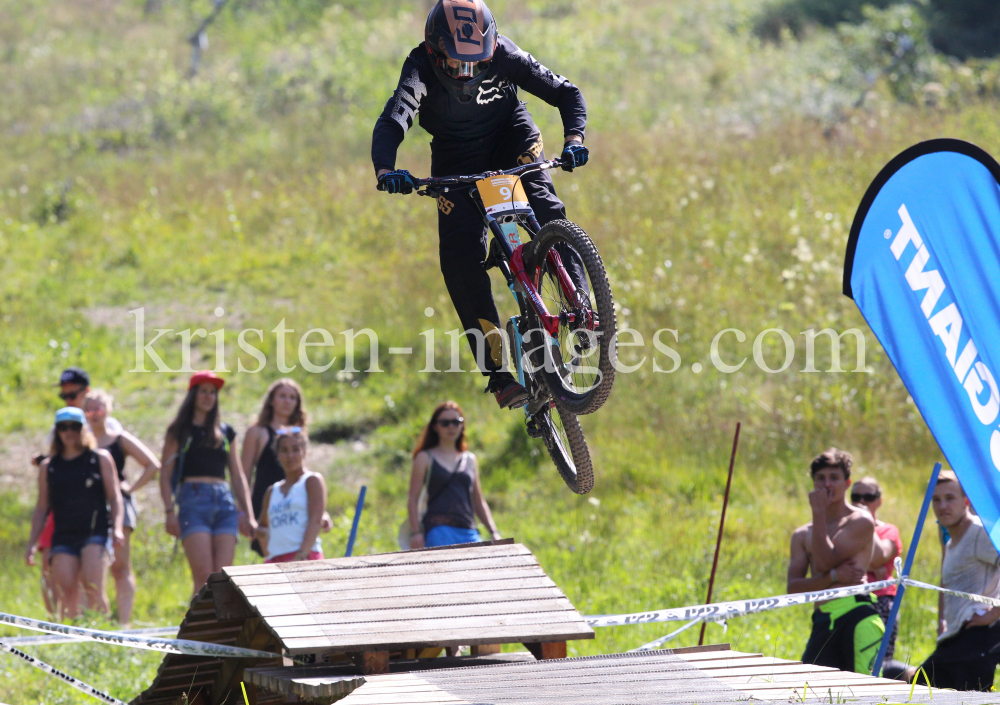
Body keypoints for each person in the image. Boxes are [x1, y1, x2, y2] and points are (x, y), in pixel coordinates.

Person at [371, 0, 590, 410]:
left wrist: (574, 140)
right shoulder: (418, 68)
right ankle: (498, 373)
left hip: (512, 137)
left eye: (478, 64)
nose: (468, 74)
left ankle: (581, 301)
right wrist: (386, 170)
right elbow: (392, 121)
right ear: (435, 53)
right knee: (458, 259)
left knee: (546, 205)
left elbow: (567, 93)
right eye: (456, 66)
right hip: (456, 158)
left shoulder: (506, 54)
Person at [33, 367, 126, 614]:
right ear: (57, 431)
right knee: (67, 589)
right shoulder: (49, 466)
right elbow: (41, 506)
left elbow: (115, 496)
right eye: (63, 428)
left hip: (95, 530)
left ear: (83, 428)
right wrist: (32, 543)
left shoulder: (100, 458)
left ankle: (104, 640)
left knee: (93, 586)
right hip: (64, 534)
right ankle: (75, 641)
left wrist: (117, 528)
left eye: (74, 427)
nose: (69, 432)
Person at [159, 371, 256, 594]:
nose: (208, 397)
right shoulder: (178, 431)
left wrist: (248, 514)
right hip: (193, 500)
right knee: (203, 577)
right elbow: (164, 475)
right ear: (192, 394)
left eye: (212, 393)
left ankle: (221, 629)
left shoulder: (225, 432)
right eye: (203, 391)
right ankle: (199, 628)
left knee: (223, 577)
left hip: (224, 502)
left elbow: (238, 475)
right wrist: (168, 511)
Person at [787, 448, 883, 674]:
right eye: (820, 478)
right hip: (823, 618)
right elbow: (793, 588)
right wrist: (833, 577)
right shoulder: (802, 535)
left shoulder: (860, 521)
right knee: (811, 691)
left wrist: (818, 512)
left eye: (834, 478)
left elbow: (823, 561)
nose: (827, 484)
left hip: (855, 615)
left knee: (862, 693)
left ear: (847, 483)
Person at [911, 470, 1000, 691]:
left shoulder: (980, 532)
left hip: (980, 636)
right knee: (917, 688)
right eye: (936, 500)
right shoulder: (950, 543)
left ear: (966, 501)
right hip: (956, 637)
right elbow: (946, 587)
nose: (942, 506)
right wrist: (943, 621)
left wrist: (996, 612)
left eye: (950, 498)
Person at [83, 389, 161, 625]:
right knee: (92, 568)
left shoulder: (119, 439)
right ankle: (97, 621)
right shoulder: (80, 442)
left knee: (120, 565)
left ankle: (124, 623)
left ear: (107, 411)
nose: (94, 414)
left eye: (99, 409)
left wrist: (130, 488)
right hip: (89, 508)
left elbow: (152, 465)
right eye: (89, 409)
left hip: (120, 506)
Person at [407, 401, 502, 549]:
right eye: (445, 423)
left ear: (462, 425)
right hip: (438, 529)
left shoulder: (470, 459)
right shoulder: (425, 458)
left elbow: (479, 501)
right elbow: (413, 498)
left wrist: (494, 532)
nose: (451, 426)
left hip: (469, 530)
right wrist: (416, 533)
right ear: (435, 426)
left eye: (456, 422)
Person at [242, 379, 308, 557]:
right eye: (282, 396)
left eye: (292, 397)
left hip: (295, 503)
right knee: (271, 555)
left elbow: (304, 474)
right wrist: (243, 511)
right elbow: (244, 475)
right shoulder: (257, 432)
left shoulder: (298, 433)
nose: (287, 401)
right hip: (266, 503)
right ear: (271, 400)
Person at [850, 476, 903, 664]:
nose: (861, 502)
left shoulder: (888, 530)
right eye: (856, 496)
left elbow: (879, 556)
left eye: (868, 497)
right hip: (850, 600)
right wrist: (872, 567)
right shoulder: (844, 528)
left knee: (879, 660)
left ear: (879, 501)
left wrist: (866, 522)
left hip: (881, 599)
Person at [254, 428, 327, 563]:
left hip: (305, 557)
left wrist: (301, 555)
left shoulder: (311, 481)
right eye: (284, 450)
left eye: (295, 449)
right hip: (275, 560)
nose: (290, 456)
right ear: (277, 454)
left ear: (304, 451)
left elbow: (315, 521)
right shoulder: (272, 491)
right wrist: (266, 547)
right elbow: (262, 526)